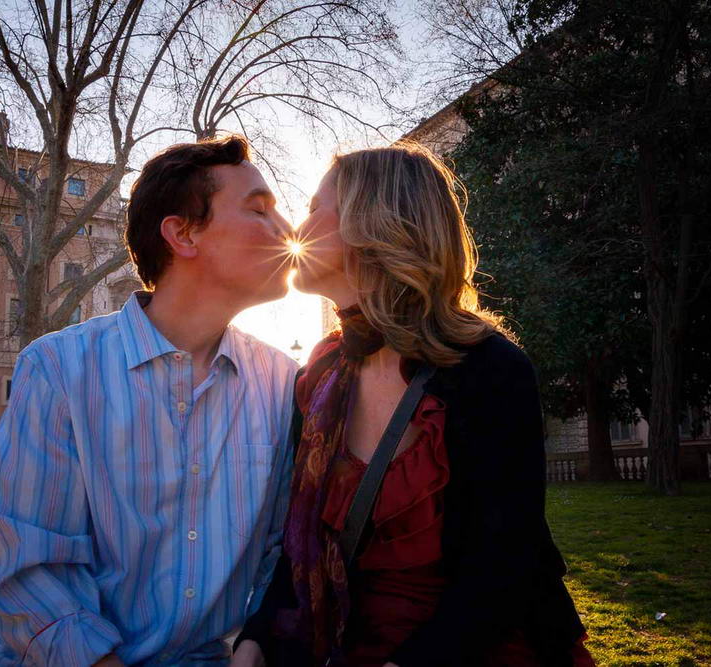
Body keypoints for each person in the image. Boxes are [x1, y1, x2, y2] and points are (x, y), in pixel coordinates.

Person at [231, 142, 593, 666]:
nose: (295, 230)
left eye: (314, 210)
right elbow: (298, 546)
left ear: (372, 223)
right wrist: (257, 638)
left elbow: (503, 565)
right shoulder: (319, 376)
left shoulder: (491, 370)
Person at [0, 135, 300, 666]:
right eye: (259, 210)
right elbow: (33, 569)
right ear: (183, 233)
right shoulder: (59, 368)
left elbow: (280, 552)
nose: (289, 231)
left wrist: (258, 639)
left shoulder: (284, 383)